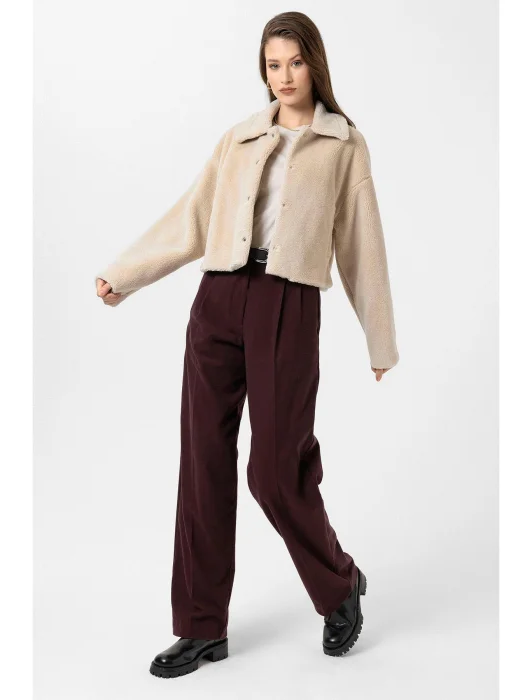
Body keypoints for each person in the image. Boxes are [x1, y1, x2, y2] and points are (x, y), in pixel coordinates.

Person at [95, 11, 398, 679]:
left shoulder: (344, 145)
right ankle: (201, 627)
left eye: (295, 62)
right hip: (218, 298)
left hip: (287, 302)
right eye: (272, 64)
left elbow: (361, 244)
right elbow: (193, 214)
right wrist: (126, 273)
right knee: (202, 462)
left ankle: (339, 583)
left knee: (274, 470)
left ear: (315, 63)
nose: (284, 76)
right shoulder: (240, 137)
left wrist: (380, 339)